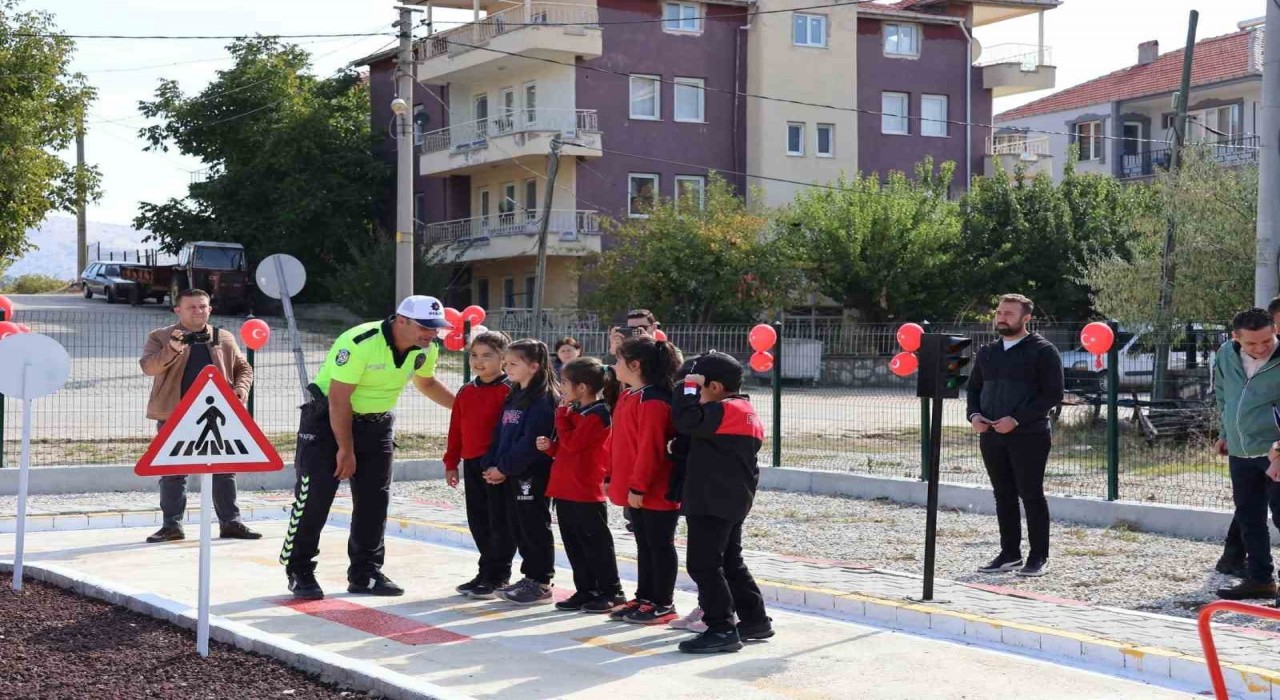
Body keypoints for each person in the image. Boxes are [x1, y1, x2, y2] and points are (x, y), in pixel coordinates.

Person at [280, 296, 455, 600]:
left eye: (436, 328)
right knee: (314, 498)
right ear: (402, 321)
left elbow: (426, 384)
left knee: (375, 501)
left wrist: (465, 409)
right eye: (425, 327)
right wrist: (345, 449)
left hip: (377, 427)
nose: (432, 333)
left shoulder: (426, 350)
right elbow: (338, 399)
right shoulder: (359, 341)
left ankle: (366, 573)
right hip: (327, 424)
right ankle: (300, 570)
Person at [139, 288, 258, 543]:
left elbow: (243, 367)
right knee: (172, 472)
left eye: (203, 306)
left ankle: (231, 523)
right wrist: (172, 348)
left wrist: (240, 389)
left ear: (210, 309)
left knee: (224, 471)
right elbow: (149, 367)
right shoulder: (160, 337)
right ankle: (172, 526)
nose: (198, 311)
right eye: (192, 307)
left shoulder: (222, 337)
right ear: (178, 310)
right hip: (175, 416)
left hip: (217, 415)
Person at [672, 352, 772, 653]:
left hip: (713, 501)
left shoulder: (728, 409)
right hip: (729, 498)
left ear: (714, 386)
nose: (694, 392)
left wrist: (685, 387)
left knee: (703, 565)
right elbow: (702, 439)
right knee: (730, 562)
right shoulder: (740, 409)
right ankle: (755, 620)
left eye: (698, 386)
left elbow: (686, 420)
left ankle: (721, 628)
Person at [967, 294, 1064, 578]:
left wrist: (1017, 419)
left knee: (1031, 495)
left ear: (1026, 318)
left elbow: (1052, 395)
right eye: (999, 312)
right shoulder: (987, 352)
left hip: (1030, 435)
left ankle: (1038, 557)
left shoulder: (1043, 351)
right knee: (1003, 495)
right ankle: (1009, 554)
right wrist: (974, 416)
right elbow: (973, 390)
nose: (1001, 317)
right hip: (991, 435)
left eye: (1009, 313)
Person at [536, 357, 623, 613]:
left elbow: (575, 443)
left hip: (585, 489)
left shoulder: (598, 414)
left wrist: (561, 416)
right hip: (565, 487)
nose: (561, 387)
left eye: (564, 382)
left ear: (582, 387)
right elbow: (567, 448)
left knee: (595, 543)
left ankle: (610, 590)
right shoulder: (577, 410)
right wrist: (550, 447)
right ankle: (585, 589)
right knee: (573, 542)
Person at [606, 336, 682, 625]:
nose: (614, 365)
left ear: (635, 365)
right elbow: (621, 444)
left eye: (618, 360)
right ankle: (645, 597)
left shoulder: (653, 402)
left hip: (654, 489)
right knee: (644, 544)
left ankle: (663, 603)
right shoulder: (629, 395)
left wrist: (639, 486)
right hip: (635, 488)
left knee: (659, 545)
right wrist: (611, 476)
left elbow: (651, 450)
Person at [483, 339, 560, 605]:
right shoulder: (515, 392)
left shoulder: (544, 398)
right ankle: (529, 577)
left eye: (513, 364)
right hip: (511, 473)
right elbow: (500, 432)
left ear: (534, 366)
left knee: (534, 525)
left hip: (531, 474)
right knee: (519, 526)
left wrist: (504, 468)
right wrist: (492, 463)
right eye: (505, 363)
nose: (507, 369)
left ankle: (540, 582)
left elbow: (531, 443)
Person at [1213, 308, 1280, 601]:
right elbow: (1222, 393)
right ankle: (1260, 579)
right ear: (1236, 338)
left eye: (1267, 339)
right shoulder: (1226, 354)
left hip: (1275, 451)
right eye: (1252, 343)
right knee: (1249, 518)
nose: (1261, 348)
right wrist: (1225, 433)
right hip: (1241, 451)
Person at [445, 331, 516, 600]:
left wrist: (503, 465)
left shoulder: (510, 390)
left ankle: (499, 575)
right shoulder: (466, 390)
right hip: (472, 463)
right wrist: (451, 462)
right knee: (478, 520)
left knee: (499, 521)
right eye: (474, 355)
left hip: (498, 466)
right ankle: (485, 570)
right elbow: (456, 430)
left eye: (487, 356)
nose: (479, 361)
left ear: (503, 358)